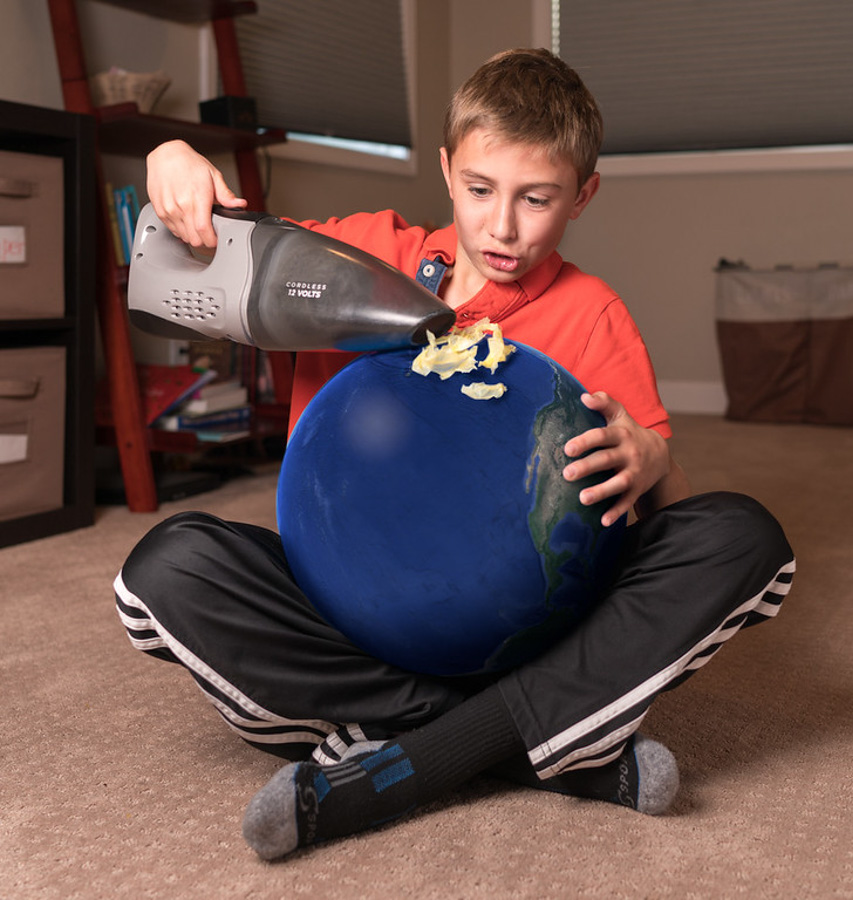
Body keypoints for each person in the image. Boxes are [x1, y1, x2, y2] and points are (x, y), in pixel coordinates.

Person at [116, 49, 795, 860]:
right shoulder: (359, 256)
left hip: (540, 632)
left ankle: (402, 760)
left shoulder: (593, 318)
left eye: (537, 198)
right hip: (354, 616)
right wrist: (172, 161)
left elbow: (669, 525)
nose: (502, 226)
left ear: (583, 194)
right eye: (479, 190)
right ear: (445, 171)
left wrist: (653, 461)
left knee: (742, 538)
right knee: (166, 570)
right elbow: (191, 264)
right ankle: (540, 747)